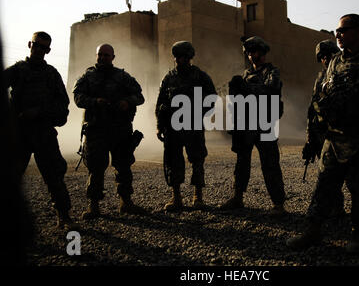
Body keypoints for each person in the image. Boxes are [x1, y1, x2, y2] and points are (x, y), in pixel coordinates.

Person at [286, 15, 359, 253]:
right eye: (337, 31)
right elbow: (324, 92)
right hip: (335, 136)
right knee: (324, 185)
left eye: (342, 30)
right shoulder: (334, 61)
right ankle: (313, 230)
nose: (338, 35)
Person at [3, 31, 77, 230]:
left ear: (49, 50)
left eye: (44, 47)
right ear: (30, 44)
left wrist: (39, 112)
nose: (40, 50)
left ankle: (64, 216)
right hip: (19, 135)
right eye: (37, 45)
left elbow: (63, 105)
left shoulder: (51, 74)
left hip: (43, 134)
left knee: (54, 177)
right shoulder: (17, 71)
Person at [73, 43, 146, 219]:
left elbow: (140, 96)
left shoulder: (123, 76)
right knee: (96, 167)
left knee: (123, 166)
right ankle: (94, 206)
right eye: (100, 55)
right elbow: (78, 97)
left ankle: (126, 202)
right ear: (96, 56)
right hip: (96, 129)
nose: (103, 58)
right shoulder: (87, 77)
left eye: (107, 55)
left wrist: (127, 102)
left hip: (120, 130)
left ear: (113, 57)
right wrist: (94, 102)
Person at [220, 36, 286, 216]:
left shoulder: (272, 71)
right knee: (242, 162)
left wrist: (246, 89)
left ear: (262, 52)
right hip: (246, 123)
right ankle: (237, 197)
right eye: (248, 52)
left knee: (270, 163)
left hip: (264, 124)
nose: (251, 55)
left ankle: (279, 205)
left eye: (254, 51)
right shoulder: (245, 75)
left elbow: (271, 89)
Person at [155, 41, 217, 212]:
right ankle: (177, 198)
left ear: (190, 57)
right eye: (176, 57)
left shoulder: (200, 76)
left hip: (193, 126)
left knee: (197, 160)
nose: (179, 60)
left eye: (183, 57)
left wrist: (198, 113)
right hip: (172, 127)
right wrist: (159, 125)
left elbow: (212, 98)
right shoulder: (168, 78)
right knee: (173, 161)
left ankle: (198, 197)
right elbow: (161, 102)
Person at [303, 39, 346, 218]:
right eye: (322, 57)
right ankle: (336, 208)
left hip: (345, 133)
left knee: (353, 178)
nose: (326, 59)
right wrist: (310, 137)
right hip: (324, 134)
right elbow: (313, 109)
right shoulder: (320, 78)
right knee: (327, 175)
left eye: (329, 55)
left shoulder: (345, 72)